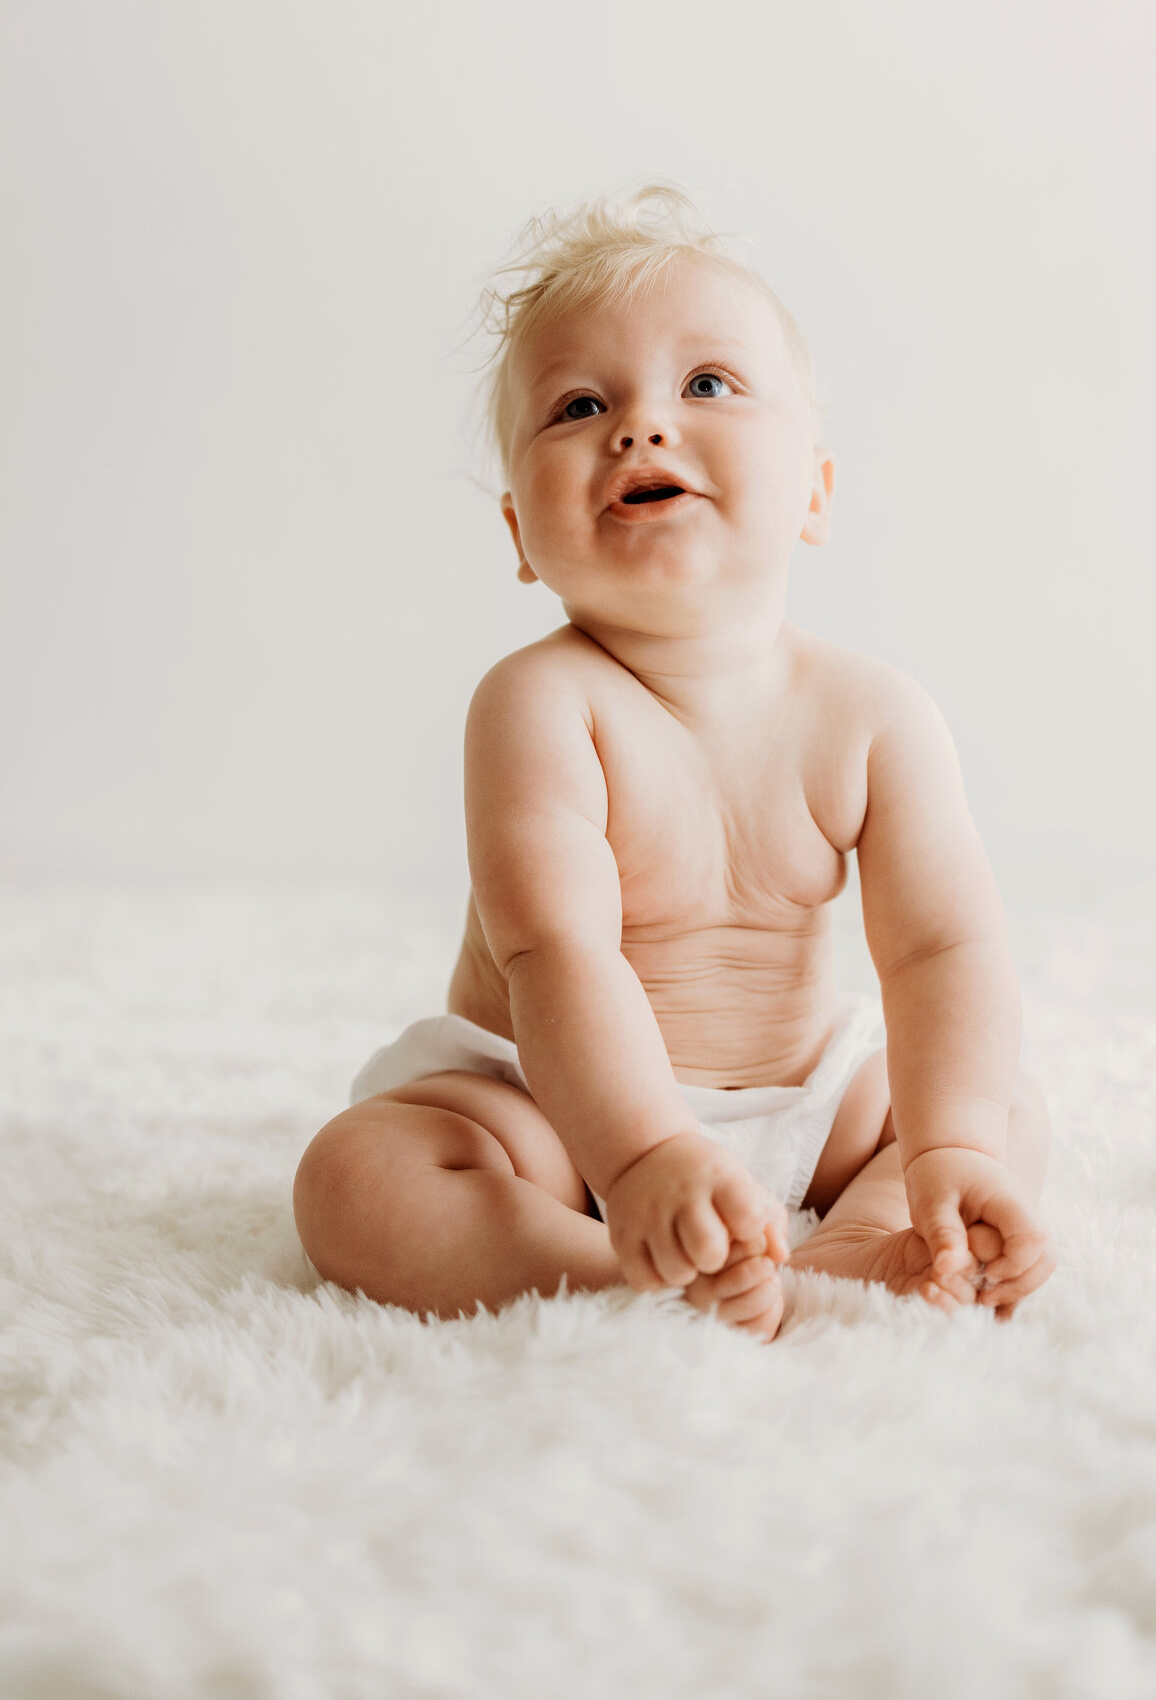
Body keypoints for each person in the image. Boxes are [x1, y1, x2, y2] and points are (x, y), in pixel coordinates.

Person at [292, 184, 1056, 1341]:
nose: (641, 428)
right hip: (552, 1110)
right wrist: (645, 1157)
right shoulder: (541, 703)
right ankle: (612, 1269)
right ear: (518, 537)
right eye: (579, 405)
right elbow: (556, 951)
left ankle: (854, 1243)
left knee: (999, 1107)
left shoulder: (873, 714)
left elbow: (944, 946)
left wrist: (951, 1146)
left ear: (814, 490)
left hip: (800, 1096)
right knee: (358, 1179)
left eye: (707, 385)